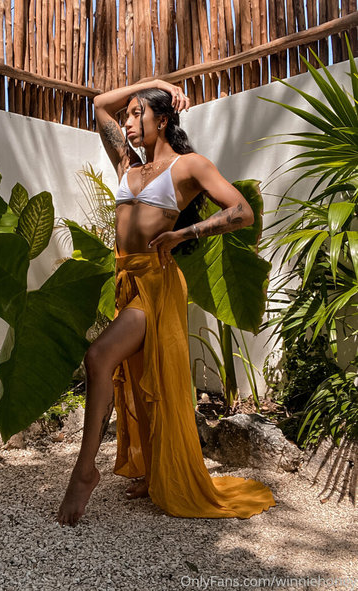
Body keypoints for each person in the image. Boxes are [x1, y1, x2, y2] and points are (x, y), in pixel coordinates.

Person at [56, 79, 276, 527]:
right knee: (143, 379)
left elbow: (242, 211)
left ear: (163, 119)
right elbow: (99, 103)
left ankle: (84, 472)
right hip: (127, 281)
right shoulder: (127, 162)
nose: (128, 122)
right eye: (129, 115)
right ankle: (157, 470)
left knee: (98, 358)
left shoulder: (189, 166)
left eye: (138, 114)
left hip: (157, 285)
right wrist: (156, 83)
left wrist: (185, 233)